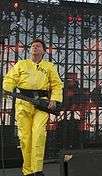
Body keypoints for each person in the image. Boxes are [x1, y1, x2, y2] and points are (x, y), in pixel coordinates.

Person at [3, 39, 63, 176]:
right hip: (23, 103)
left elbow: (57, 84)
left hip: (42, 103)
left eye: (38, 46)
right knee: (25, 137)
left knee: (39, 134)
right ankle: (28, 170)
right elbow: (9, 78)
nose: (35, 47)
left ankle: (37, 170)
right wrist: (7, 88)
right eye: (33, 46)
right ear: (30, 50)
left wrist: (54, 99)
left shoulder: (49, 66)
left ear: (43, 51)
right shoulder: (21, 64)